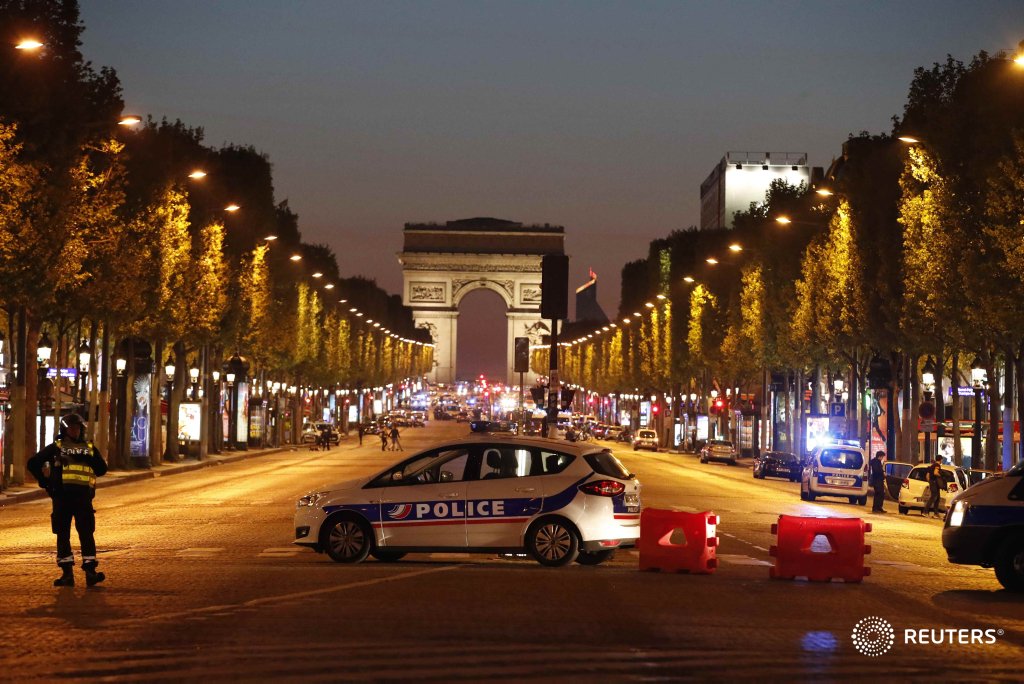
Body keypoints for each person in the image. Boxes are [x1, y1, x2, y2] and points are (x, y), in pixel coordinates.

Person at [26, 413, 108, 587]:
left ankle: (90, 572)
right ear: (65, 429)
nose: (75, 431)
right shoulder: (57, 447)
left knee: (86, 533)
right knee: (63, 535)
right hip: (62, 498)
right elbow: (33, 463)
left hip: (82, 499)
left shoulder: (89, 448)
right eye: (72, 428)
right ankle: (67, 574)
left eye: (77, 428)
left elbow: (101, 470)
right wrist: (44, 482)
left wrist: (90, 459)